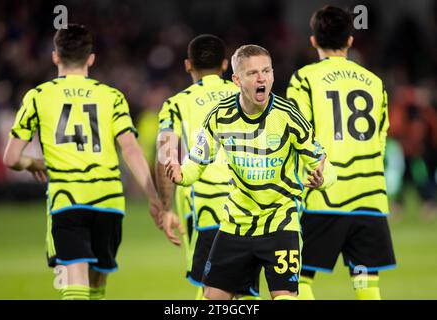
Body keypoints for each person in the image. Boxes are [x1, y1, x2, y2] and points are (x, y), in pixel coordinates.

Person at [3, 24, 163, 300]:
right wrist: (154, 197)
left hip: (68, 197)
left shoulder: (38, 96)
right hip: (109, 200)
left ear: (55, 57)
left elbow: (11, 157)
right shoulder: (112, 96)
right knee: (96, 287)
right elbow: (131, 149)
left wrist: (32, 164)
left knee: (75, 283)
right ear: (91, 58)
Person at [165, 44, 336, 300]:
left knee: (285, 297)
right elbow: (196, 164)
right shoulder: (220, 116)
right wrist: (181, 176)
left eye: (266, 71)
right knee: (213, 298)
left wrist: (323, 180)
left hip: (280, 223)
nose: (261, 78)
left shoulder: (288, 116)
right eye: (253, 73)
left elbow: (325, 165)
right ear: (236, 79)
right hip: (236, 224)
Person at [286, 5, 396, 300]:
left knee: (298, 279)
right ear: (350, 41)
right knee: (365, 281)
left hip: (322, 196)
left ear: (313, 41)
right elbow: (381, 139)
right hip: (369, 197)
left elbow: (298, 136)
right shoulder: (375, 82)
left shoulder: (304, 79)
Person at [156, 34, 260, 299]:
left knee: (211, 288)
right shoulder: (249, 97)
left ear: (188, 65)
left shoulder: (177, 104)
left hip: (205, 207)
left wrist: (166, 208)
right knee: (241, 291)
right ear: (226, 65)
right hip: (251, 205)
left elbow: (166, 156)